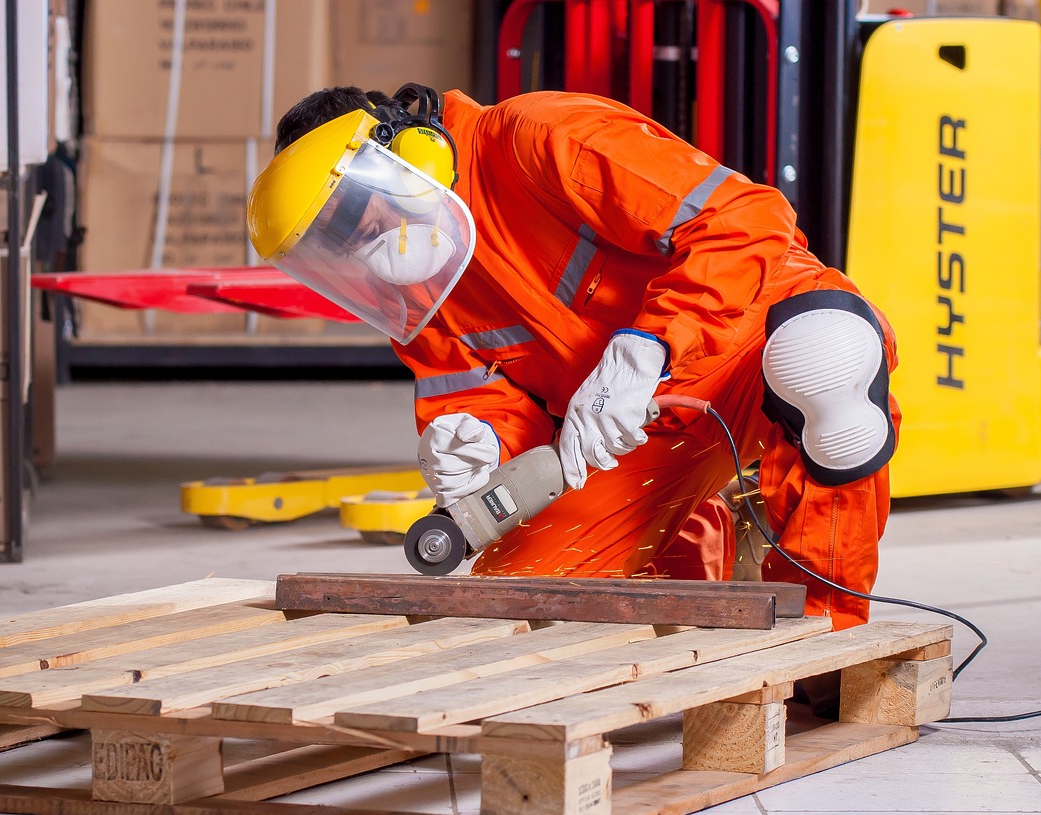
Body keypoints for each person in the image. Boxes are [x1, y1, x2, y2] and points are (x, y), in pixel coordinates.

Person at [247, 84, 900, 631]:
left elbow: (747, 219)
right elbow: (483, 398)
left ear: (410, 153)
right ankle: (709, 548)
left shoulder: (539, 137)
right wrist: (473, 443)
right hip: (634, 434)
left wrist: (648, 343)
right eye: (339, 242)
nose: (365, 248)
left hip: (748, 343)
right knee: (516, 611)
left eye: (359, 216)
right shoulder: (419, 284)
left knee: (826, 360)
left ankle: (825, 640)